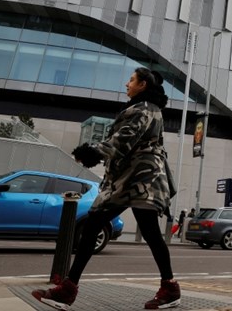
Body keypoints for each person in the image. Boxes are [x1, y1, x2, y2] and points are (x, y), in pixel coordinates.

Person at [31, 68, 180, 310]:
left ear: (142, 84)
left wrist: (92, 151)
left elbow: (124, 139)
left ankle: (169, 288)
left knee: (121, 229)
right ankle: (69, 290)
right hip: (131, 179)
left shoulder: (144, 109)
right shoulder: (143, 108)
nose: (126, 84)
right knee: (103, 227)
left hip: (142, 179)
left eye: (131, 80)